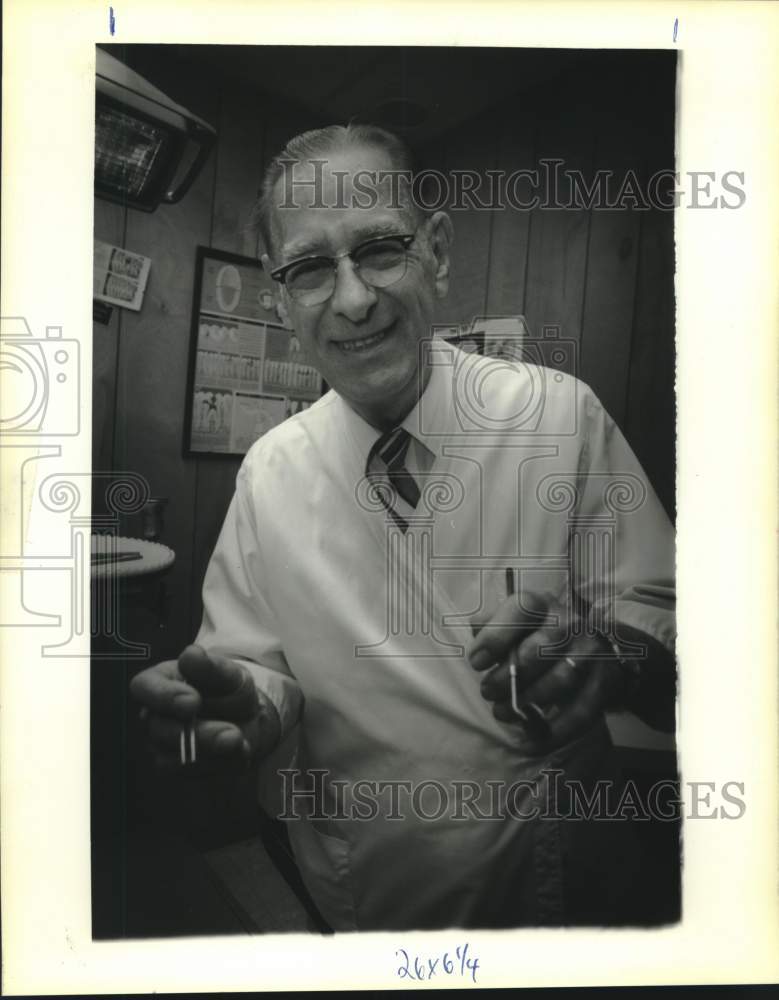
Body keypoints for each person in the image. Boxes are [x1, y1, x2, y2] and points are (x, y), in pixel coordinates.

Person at [131, 124, 676, 931]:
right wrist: (245, 706)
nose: (352, 299)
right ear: (281, 300)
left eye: (380, 249)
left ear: (439, 253)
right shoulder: (272, 472)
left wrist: (614, 653)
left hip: (553, 866)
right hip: (366, 876)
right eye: (311, 268)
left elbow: (662, 622)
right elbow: (260, 667)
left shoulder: (558, 416)